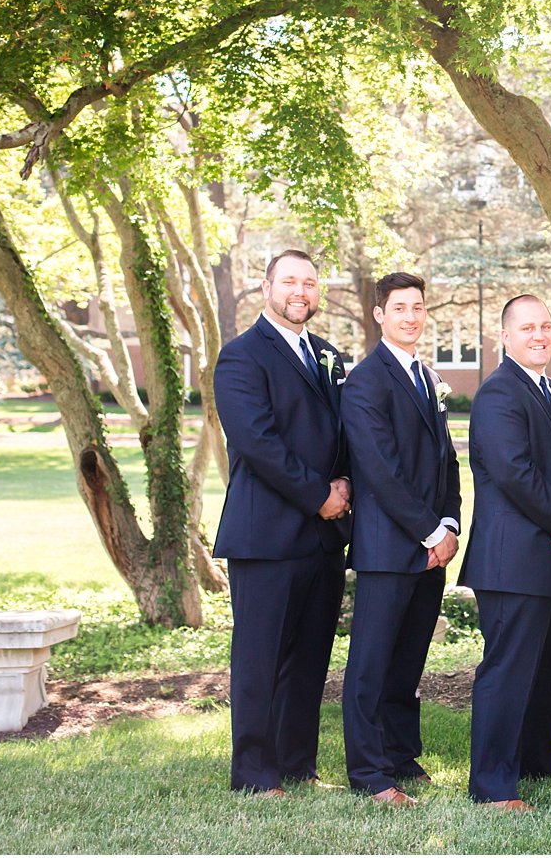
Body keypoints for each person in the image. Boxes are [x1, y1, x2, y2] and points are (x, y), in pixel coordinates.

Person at [213, 248, 350, 797]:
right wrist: (320, 494)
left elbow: (348, 432)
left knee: (310, 656)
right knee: (260, 658)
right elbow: (258, 442)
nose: (301, 291)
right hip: (266, 533)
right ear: (266, 287)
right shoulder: (241, 357)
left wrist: (345, 488)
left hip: (323, 536)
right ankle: (253, 772)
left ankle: (297, 764)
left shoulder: (328, 355)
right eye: (290, 281)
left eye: (310, 283)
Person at [340, 272, 461, 808]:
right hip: (389, 548)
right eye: (400, 308)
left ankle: (400, 754)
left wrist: (452, 523)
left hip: (432, 548)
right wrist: (430, 530)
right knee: (371, 662)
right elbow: (380, 471)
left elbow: (447, 460)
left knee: (409, 657)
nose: (411, 316)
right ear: (379, 315)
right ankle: (368, 772)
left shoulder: (427, 377)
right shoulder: (366, 381)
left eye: (418, 307)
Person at [461, 294, 551, 812]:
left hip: (548, 556)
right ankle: (492, 783)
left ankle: (536, 761)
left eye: (547, 326)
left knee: (547, 667)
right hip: (511, 558)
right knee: (508, 670)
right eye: (528, 327)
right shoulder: (498, 394)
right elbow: (514, 472)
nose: (540, 335)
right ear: (505, 337)